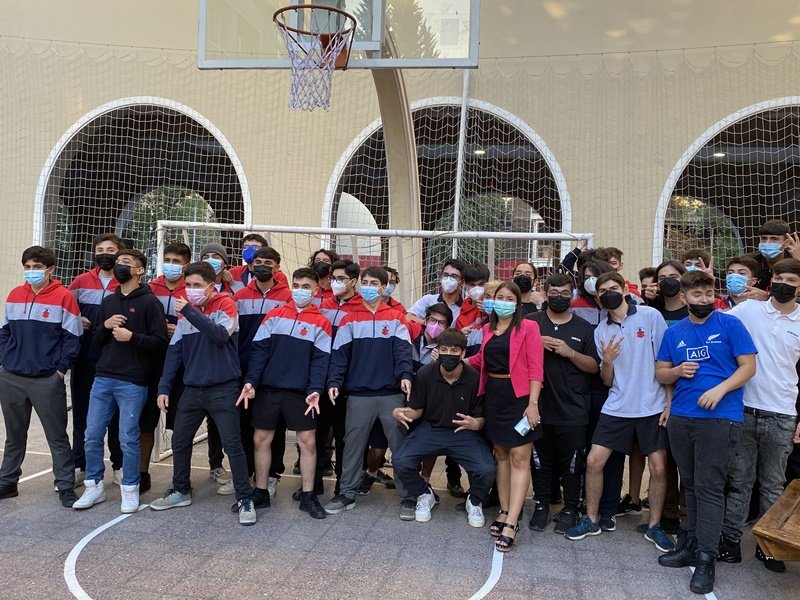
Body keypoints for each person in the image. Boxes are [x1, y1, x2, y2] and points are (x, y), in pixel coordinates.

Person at [655, 271, 756, 594]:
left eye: (709, 293)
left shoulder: (730, 325)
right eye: (697, 294)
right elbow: (661, 373)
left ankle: (706, 558)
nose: (704, 299)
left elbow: (749, 367)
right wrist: (676, 371)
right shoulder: (675, 332)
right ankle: (689, 543)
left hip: (720, 417)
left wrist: (720, 389)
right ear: (684, 297)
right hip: (682, 417)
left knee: (709, 487)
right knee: (690, 485)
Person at [565, 272, 674, 554]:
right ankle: (591, 520)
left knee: (659, 467)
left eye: (614, 287)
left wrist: (668, 403)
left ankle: (654, 525)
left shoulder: (650, 316)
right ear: (598, 297)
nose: (609, 293)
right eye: (603, 291)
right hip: (617, 406)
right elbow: (606, 380)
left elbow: (666, 362)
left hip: (652, 406)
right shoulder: (601, 330)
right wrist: (609, 362)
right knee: (594, 461)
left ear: (625, 289)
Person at [150, 261, 256, 526]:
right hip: (192, 388)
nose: (191, 289)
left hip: (223, 388)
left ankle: (245, 498)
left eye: (196, 285)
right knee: (180, 440)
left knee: (233, 444)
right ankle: (180, 490)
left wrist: (189, 310)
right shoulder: (187, 313)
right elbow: (175, 351)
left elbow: (219, 335)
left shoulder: (226, 305)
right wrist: (164, 387)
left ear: (211, 286)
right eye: (188, 285)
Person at [72, 249, 168, 513]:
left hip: (133, 381)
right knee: (92, 435)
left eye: (126, 263)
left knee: (128, 437)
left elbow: (161, 343)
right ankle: (94, 486)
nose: (119, 266)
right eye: (118, 263)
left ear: (139, 270)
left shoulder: (150, 303)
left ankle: (130, 488)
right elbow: (96, 340)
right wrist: (105, 326)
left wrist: (132, 337)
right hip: (103, 378)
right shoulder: (109, 302)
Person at [720, 258, 800, 573]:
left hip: (782, 413)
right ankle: (729, 542)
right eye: (779, 277)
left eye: (791, 280)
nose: (783, 284)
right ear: (770, 280)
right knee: (739, 481)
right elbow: (716, 323)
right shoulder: (749, 310)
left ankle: (768, 548)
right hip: (744, 408)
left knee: (773, 484)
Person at [238, 267, 332, 520]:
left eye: (306, 287)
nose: (300, 291)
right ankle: (260, 491)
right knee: (261, 439)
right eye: (296, 285)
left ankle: (308, 495)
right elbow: (259, 352)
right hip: (269, 389)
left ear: (315, 291)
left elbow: (321, 361)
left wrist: (315, 389)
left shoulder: (321, 322)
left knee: (308, 442)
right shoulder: (274, 315)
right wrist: (251, 381)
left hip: (301, 393)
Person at [324, 266, 414, 517]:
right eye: (365, 282)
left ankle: (408, 495)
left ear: (384, 288)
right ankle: (347, 493)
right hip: (358, 395)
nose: (368, 287)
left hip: (391, 395)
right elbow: (339, 356)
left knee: (400, 447)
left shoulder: (396, 317)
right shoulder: (349, 318)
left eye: (374, 283)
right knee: (353, 446)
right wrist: (334, 381)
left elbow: (403, 351)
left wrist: (406, 375)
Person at [0, 246, 81, 507]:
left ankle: (65, 485)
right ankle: (7, 482)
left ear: (50, 269)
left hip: (47, 379)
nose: (31, 271)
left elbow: (73, 338)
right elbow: (4, 332)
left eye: (37, 267)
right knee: (14, 435)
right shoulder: (14, 295)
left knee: (56, 436)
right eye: (27, 267)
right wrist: (5, 361)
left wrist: (60, 371)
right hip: (11, 377)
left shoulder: (64, 297)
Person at [391, 328, 496, 527]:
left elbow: (481, 418)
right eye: (444, 350)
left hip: (463, 432)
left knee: (487, 469)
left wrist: (475, 423)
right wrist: (400, 412)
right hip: (431, 429)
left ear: (463, 353)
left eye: (454, 350)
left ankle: (474, 500)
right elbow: (417, 410)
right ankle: (424, 494)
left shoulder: (474, 378)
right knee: (400, 460)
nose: (449, 354)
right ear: (437, 351)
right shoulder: (425, 373)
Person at [468, 281, 543, 552]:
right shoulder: (488, 329)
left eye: (510, 298)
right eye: (499, 297)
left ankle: (512, 521)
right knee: (500, 454)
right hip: (495, 395)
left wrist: (533, 404)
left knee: (520, 457)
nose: (503, 302)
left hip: (520, 396)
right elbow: (481, 361)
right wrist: (454, 360)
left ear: (518, 303)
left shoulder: (529, 327)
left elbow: (536, 367)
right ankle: (504, 508)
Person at [526, 274, 600, 534]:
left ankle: (570, 509)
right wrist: (535, 342)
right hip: (538, 406)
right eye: (554, 292)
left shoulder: (584, 328)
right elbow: (513, 352)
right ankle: (541, 506)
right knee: (539, 461)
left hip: (573, 408)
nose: (559, 297)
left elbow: (594, 366)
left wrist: (570, 353)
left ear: (572, 295)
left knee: (573, 463)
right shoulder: (531, 322)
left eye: (565, 293)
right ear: (545, 294)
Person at [232, 247, 292, 498]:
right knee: (245, 424)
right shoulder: (239, 296)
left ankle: (272, 474)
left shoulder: (288, 297)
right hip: (245, 369)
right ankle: (246, 472)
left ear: (277, 268)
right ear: (251, 265)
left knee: (274, 425)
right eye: (258, 261)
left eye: (268, 262)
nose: (262, 266)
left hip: (275, 370)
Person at [68, 233, 124, 487]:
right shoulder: (80, 281)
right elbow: (65, 311)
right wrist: (76, 319)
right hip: (85, 358)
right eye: (100, 250)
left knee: (116, 417)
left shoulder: (126, 281)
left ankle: (119, 465)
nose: (105, 254)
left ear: (119, 253)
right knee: (82, 414)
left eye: (110, 250)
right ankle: (80, 465)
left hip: (116, 360)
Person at [142, 241, 192, 491]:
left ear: (186, 265)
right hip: (152, 361)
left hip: (182, 364)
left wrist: (179, 328)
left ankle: (181, 479)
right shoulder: (150, 288)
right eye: (167, 260)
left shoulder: (192, 290)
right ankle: (142, 473)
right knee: (146, 422)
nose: (171, 265)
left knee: (181, 426)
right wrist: (160, 329)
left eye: (176, 261)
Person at [314, 259, 363, 497]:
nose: (334, 283)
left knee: (345, 437)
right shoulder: (322, 305)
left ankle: (342, 487)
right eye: (333, 278)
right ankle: (313, 484)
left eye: (340, 279)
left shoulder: (362, 308)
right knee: (316, 434)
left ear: (352, 282)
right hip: (321, 380)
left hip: (348, 383)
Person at [198, 242, 234, 487]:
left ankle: (237, 468)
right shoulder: (192, 288)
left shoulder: (234, 288)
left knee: (224, 418)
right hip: (197, 359)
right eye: (206, 256)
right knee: (200, 418)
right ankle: (215, 464)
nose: (211, 259)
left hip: (225, 361)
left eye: (216, 256)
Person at [407, 259, 466, 325]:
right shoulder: (428, 300)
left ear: (463, 282)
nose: (448, 279)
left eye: (454, 276)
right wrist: (430, 324)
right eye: (445, 275)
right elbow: (408, 317)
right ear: (440, 278)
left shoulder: (465, 308)